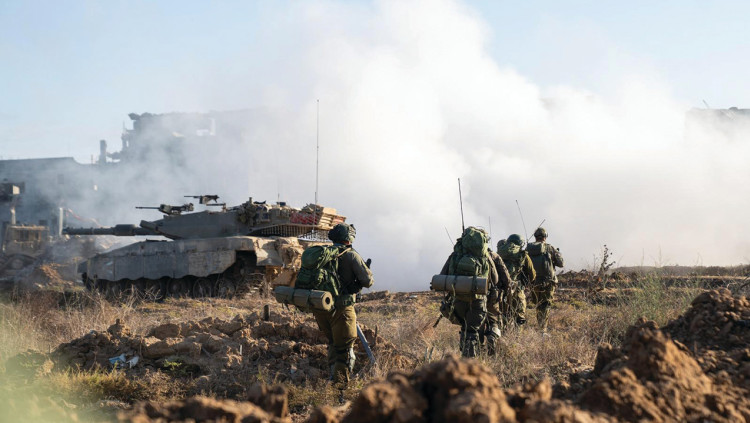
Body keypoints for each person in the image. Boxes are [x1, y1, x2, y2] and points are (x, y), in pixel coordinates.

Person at [310, 223, 374, 389]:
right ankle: (340, 390)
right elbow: (368, 281)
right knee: (344, 350)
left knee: (333, 343)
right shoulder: (351, 255)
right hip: (342, 309)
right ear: (349, 238)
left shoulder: (322, 254)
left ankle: (333, 377)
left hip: (322, 308)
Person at [439, 226, 498, 358]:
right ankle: (470, 362)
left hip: (458, 299)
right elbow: (496, 279)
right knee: (472, 331)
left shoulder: (455, 255)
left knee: (465, 329)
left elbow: (443, 275)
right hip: (478, 300)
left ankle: (466, 357)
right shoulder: (485, 256)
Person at [526, 227, 564, 332]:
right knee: (545, 304)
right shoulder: (550, 248)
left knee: (538, 304)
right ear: (545, 237)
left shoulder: (528, 249)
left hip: (534, 282)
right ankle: (543, 329)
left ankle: (541, 326)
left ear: (535, 236)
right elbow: (561, 264)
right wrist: (558, 254)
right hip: (548, 282)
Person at [497, 234, 535, 326]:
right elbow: (532, 274)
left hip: (500, 288)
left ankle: (503, 333)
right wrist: (527, 283)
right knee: (519, 316)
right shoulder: (523, 255)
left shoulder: (499, 253)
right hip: (516, 288)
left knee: (502, 314)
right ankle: (517, 335)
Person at [485, 247, 511, 355]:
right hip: (491, 295)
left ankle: (472, 348)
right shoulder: (493, 255)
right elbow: (506, 279)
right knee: (493, 321)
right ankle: (492, 337)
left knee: (471, 324)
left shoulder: (459, 253)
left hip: (465, 296)